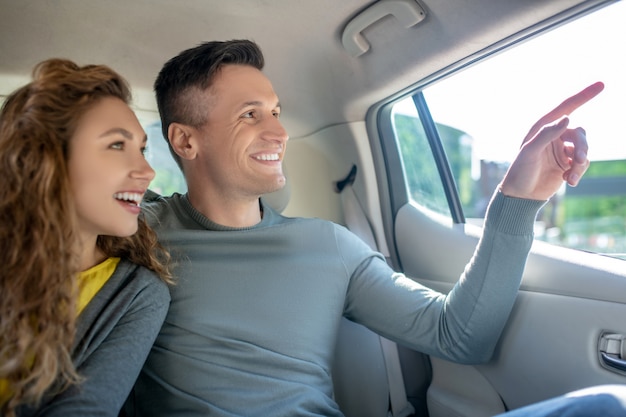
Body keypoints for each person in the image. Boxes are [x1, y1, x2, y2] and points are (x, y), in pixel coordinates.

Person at [125, 39, 625, 416]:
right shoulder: (135, 233)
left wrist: (516, 199)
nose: (278, 132)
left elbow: (459, 335)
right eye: (249, 116)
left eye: (276, 112)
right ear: (185, 142)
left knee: (607, 405)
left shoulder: (329, 247)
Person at [0, 59, 173, 417]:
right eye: (116, 145)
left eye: (142, 149)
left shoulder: (135, 294)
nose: (147, 171)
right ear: (46, 157)